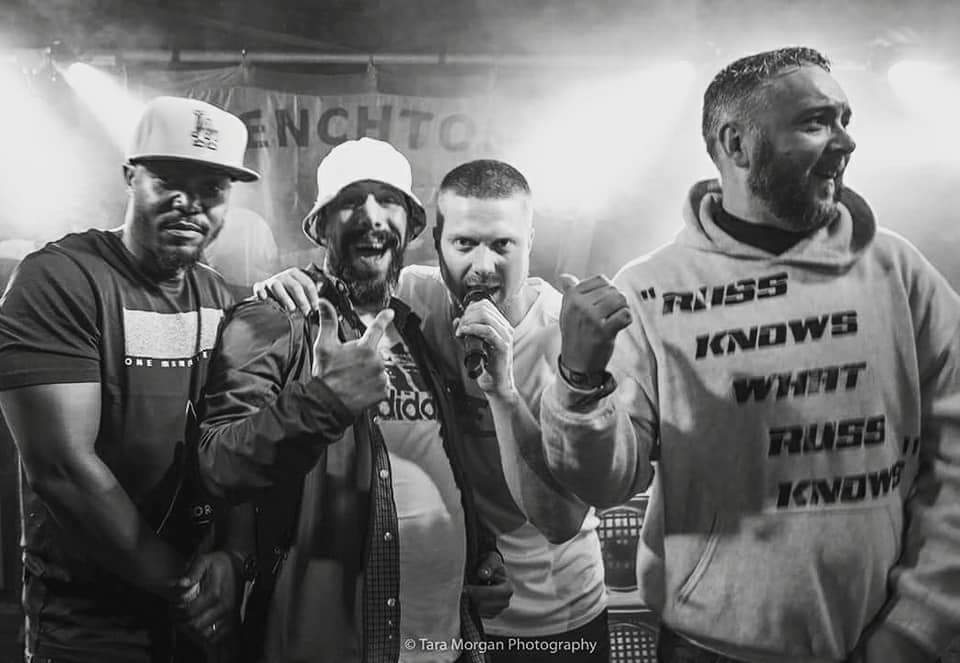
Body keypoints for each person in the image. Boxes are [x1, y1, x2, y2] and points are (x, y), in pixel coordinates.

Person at [543, 46, 960, 663]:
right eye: (815, 122)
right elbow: (606, 483)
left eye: (844, 120)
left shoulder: (899, 273)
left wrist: (917, 628)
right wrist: (579, 381)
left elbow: (955, 463)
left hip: (888, 642)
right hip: (707, 649)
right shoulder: (651, 288)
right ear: (737, 145)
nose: (846, 142)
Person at [258, 159, 611, 662]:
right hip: (453, 616)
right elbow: (345, 276)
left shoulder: (561, 337)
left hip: (556, 614)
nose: (483, 265)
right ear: (437, 242)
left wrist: (503, 391)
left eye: (503, 245)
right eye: (464, 243)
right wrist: (285, 285)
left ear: (530, 241)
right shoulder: (415, 297)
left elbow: (560, 521)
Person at [197, 137, 509, 663]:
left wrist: (481, 548)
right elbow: (217, 463)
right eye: (350, 201)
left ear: (410, 227)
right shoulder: (276, 320)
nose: (371, 217)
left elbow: (435, 456)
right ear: (320, 227)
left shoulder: (416, 328)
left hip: (445, 640)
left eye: (388, 201)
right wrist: (323, 402)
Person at [0, 96, 261, 662]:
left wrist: (234, 558)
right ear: (130, 176)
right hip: (88, 627)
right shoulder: (58, 280)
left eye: (212, 189)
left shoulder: (220, 297)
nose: (189, 203)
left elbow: (234, 440)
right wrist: (185, 588)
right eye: (168, 180)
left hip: (196, 617)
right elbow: (62, 469)